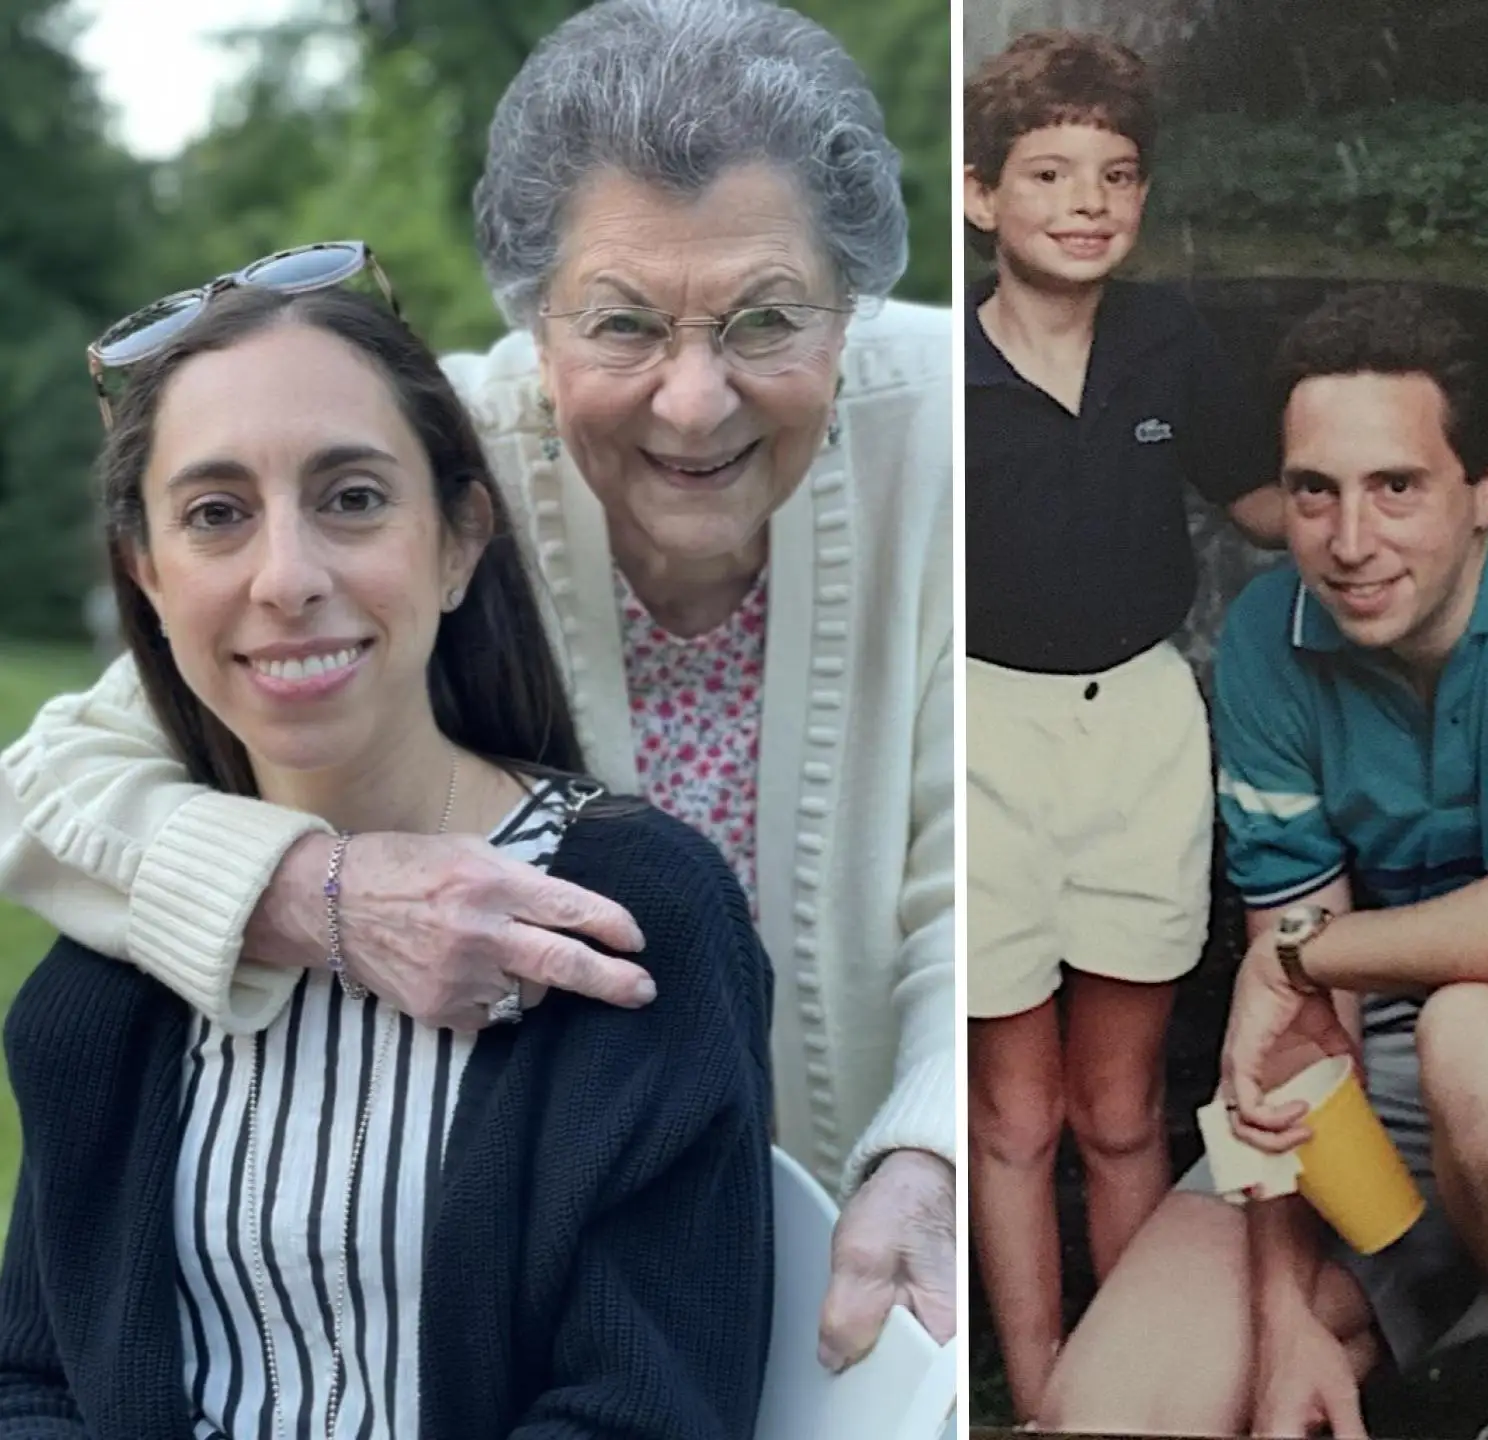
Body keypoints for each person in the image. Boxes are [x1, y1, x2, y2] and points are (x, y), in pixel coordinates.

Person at [0, 0, 951, 1366]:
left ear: (848, 302)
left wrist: (927, 1146)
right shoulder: (414, 475)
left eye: (765, 319)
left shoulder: (943, 436)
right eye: (620, 324)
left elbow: (966, 855)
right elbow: (49, 789)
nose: (696, 400)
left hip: (867, 1303)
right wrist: (312, 894)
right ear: (530, 315)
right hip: (563, 1307)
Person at [0, 282, 772, 1438]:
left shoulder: (624, 915)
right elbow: (34, 1383)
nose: (286, 578)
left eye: (351, 498)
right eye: (215, 514)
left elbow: (642, 1412)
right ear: (148, 580)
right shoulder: (112, 976)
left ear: (460, 542)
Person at [1038, 284, 1488, 1440]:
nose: (1350, 543)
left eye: (1397, 486)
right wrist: (1286, 1311)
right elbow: (1295, 1036)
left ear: (1487, 484)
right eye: (1314, 492)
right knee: (1113, 1411)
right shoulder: (1265, 637)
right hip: (1396, 1085)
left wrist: (1310, 956)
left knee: (1483, 1037)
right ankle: (1417, 1297)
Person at [959, 30, 1288, 1422]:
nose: (1090, 201)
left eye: (1118, 173)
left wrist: (1442, 521)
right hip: (984, 745)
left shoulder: (1167, 340)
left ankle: (1146, 1392)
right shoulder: (941, 381)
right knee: (1014, 1116)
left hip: (1142, 729)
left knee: (1117, 1104)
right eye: (1050, 172)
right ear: (982, 198)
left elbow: (1266, 502)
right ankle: (1038, 1393)